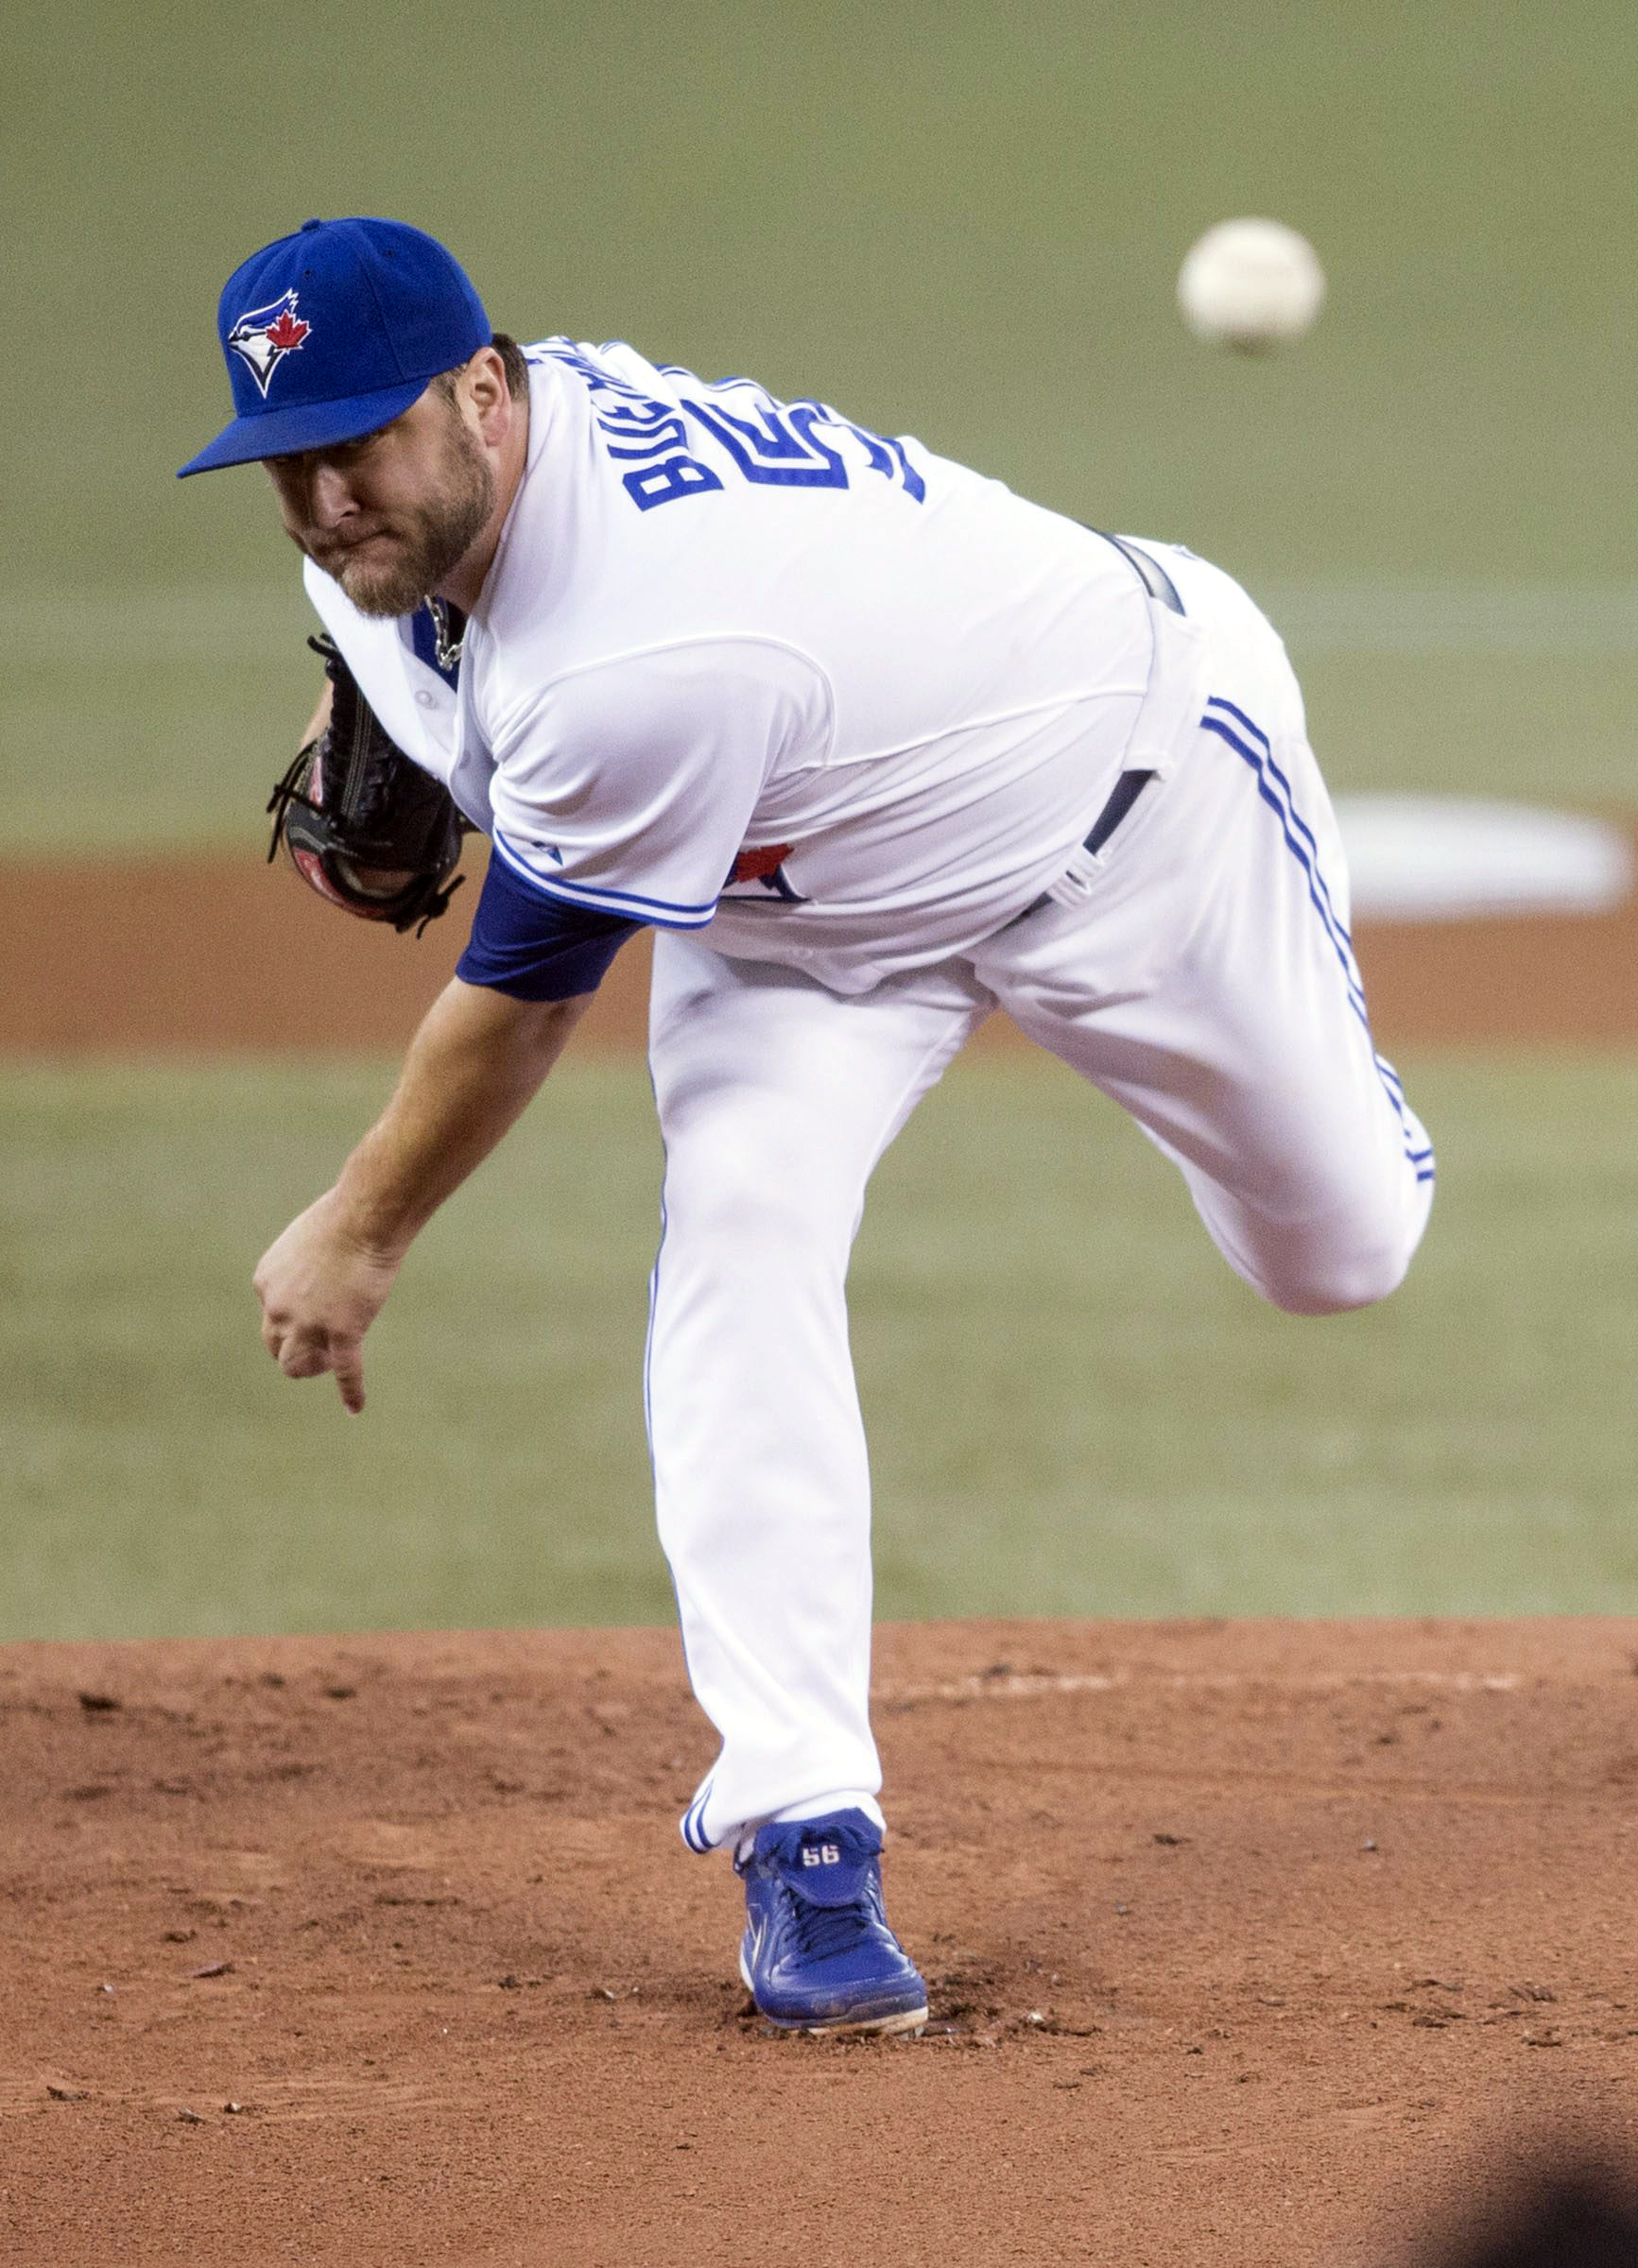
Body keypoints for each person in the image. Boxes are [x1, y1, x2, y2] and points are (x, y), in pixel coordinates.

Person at [182, 216, 1435, 2035]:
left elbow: (523, 1002)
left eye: (356, 445)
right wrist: (359, 667)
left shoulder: (638, 649)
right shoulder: (428, 503)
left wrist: (359, 1230)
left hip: (1134, 815)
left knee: (1343, 1256)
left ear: (481, 397)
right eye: (281, 462)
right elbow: (374, 620)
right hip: (810, 927)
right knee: (741, 1235)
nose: (319, 500)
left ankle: (1332, 1066)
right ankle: (805, 1832)